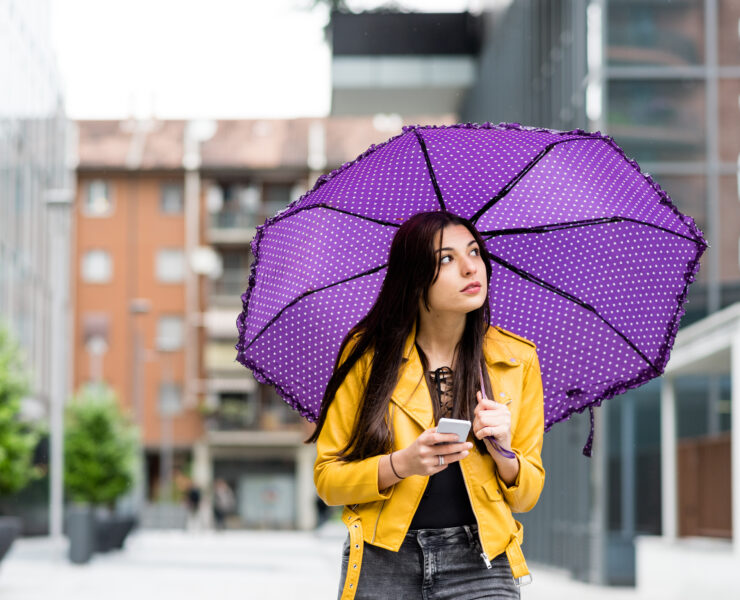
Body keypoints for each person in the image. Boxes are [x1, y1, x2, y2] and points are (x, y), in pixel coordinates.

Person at [305, 211, 545, 600]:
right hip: (384, 559)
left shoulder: (516, 360)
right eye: (446, 259)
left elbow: (527, 495)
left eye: (474, 252)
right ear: (414, 278)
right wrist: (401, 464)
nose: (471, 268)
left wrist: (504, 450)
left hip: (481, 561)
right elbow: (328, 481)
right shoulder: (368, 356)